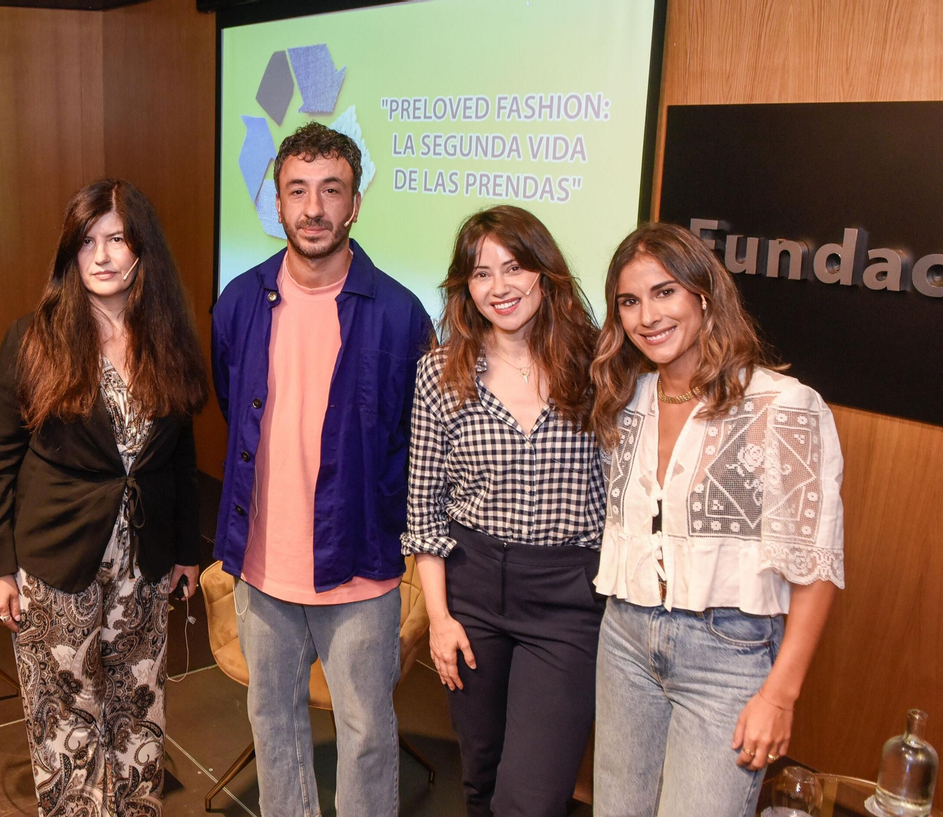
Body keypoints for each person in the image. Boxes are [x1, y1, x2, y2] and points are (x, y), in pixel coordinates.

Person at [211, 121, 432, 817]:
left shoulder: (400, 313)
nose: (314, 208)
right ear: (276, 203)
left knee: (367, 734)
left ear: (355, 203)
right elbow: (230, 403)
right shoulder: (239, 302)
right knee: (274, 724)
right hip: (264, 567)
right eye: (298, 190)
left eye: (331, 190)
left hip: (360, 569)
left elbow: (415, 437)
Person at [588, 223, 843, 816]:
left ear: (704, 296)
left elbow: (817, 566)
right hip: (624, 640)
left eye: (665, 292)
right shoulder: (624, 402)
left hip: (729, 654)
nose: (647, 316)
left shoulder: (783, 405)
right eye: (629, 301)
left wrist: (780, 695)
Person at [0, 178, 207, 815]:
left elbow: (180, 461)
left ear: (143, 252)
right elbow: (1, 459)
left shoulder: (169, 341)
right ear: (70, 256)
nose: (102, 256)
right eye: (87, 242)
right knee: (66, 718)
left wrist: (187, 551)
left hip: (145, 561)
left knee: (139, 710)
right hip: (56, 559)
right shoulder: (32, 339)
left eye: (117, 239)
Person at [402, 206, 605, 817]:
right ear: (465, 288)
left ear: (544, 274)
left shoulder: (597, 367)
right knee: (481, 777)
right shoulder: (440, 374)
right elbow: (424, 507)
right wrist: (439, 618)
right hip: (472, 588)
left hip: (569, 596)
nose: (501, 287)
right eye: (482, 274)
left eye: (514, 268)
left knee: (534, 794)